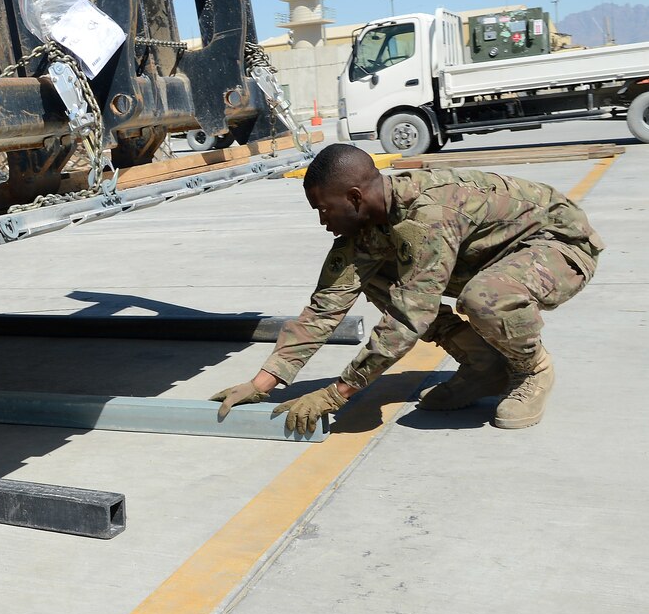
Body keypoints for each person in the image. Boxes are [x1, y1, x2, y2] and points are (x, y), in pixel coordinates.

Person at [212, 143, 603, 435]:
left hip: (557, 247)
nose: (321, 220)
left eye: (324, 209)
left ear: (354, 197)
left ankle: (531, 370)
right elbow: (324, 309)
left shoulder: (432, 214)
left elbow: (409, 317)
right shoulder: (366, 228)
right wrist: (263, 382)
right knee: (379, 274)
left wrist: (337, 393)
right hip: (486, 257)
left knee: (485, 297)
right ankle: (484, 365)